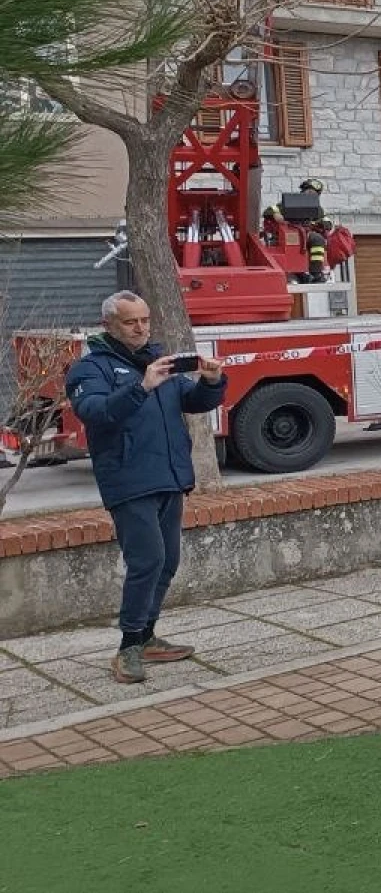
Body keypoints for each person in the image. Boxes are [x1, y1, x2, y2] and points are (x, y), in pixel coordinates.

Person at [66, 291, 228, 684]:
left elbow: (192, 401)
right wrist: (141, 386)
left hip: (169, 478)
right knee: (147, 561)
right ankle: (128, 648)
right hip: (128, 479)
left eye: (144, 320)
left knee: (168, 561)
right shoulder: (91, 369)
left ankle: (147, 635)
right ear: (109, 326)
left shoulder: (159, 362)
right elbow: (96, 413)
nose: (140, 328)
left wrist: (212, 382)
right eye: (129, 322)